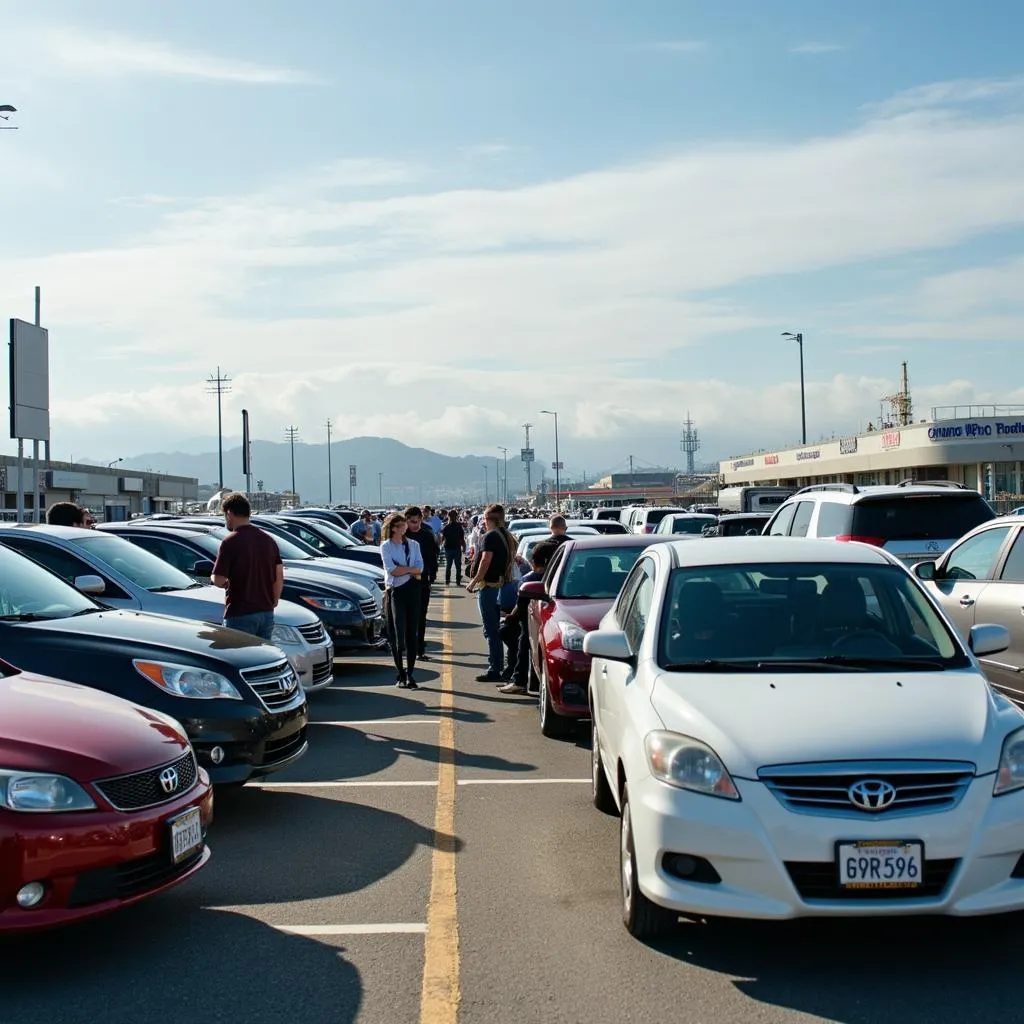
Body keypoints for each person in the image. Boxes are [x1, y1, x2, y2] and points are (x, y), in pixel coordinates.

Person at [211, 492, 283, 641]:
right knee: (262, 659)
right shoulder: (268, 540)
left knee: (238, 659)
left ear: (229, 513)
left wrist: (219, 580)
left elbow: (218, 580)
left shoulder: (230, 541)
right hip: (266, 612)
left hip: (240, 614)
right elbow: (279, 575)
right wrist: (273, 601)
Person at [497, 540, 558, 694]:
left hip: (534, 622)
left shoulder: (531, 579)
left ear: (534, 561)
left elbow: (521, 605)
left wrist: (510, 617)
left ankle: (519, 679)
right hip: (558, 627)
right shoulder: (566, 575)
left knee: (519, 641)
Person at [467, 504, 518, 683]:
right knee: (500, 629)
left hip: (490, 586)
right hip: (504, 586)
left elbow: (485, 560)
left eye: (485, 519)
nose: (483, 522)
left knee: (491, 629)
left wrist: (473, 581)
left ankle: (495, 667)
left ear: (491, 520)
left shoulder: (490, 536)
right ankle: (505, 665)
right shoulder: (508, 536)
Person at [380, 511, 423, 688]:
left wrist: (404, 569)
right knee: (398, 634)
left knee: (412, 632)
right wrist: (410, 570)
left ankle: (411, 673)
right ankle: (400, 673)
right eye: (401, 525)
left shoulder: (414, 545)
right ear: (393, 529)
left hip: (413, 590)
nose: (405, 527)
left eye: (405, 524)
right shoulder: (386, 546)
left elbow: (420, 568)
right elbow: (392, 570)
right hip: (396, 591)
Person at [404, 506, 438, 660]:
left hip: (422, 580)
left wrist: (432, 576)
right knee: (405, 615)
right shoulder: (401, 536)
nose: (415, 525)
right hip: (403, 581)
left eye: (418, 522)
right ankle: (405, 646)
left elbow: (432, 556)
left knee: (421, 615)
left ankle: (419, 649)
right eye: (412, 522)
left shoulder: (426, 534)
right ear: (406, 520)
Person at [441, 509, 467, 586]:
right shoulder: (459, 527)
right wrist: (464, 547)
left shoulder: (446, 527)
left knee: (448, 565)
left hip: (448, 548)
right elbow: (462, 539)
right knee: (458, 566)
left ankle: (447, 581)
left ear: (448, 517)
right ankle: (458, 581)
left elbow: (443, 538)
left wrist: (442, 546)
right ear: (456, 516)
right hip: (456, 548)